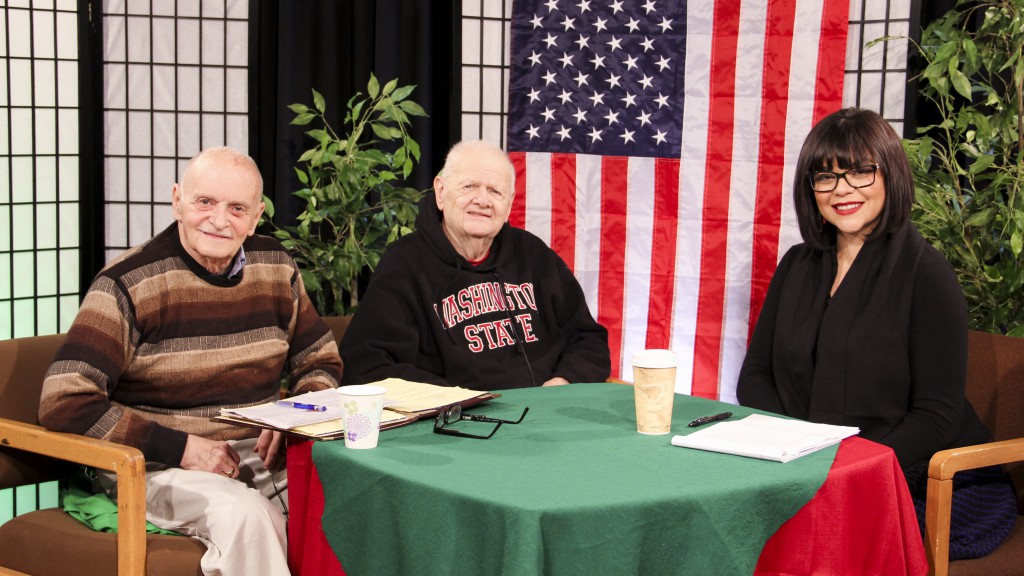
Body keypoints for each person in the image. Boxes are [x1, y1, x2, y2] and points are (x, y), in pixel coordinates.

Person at [39, 147, 343, 575]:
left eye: (237, 208)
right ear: (177, 199)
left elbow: (320, 359)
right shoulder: (128, 283)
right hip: (152, 463)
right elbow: (64, 400)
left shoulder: (276, 265)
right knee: (247, 518)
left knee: (350, 499)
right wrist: (180, 448)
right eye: (205, 202)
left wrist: (298, 413)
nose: (220, 220)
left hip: (257, 452)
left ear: (256, 217)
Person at [736, 108, 1016, 560]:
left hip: (932, 481)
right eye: (825, 177)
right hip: (811, 467)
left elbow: (936, 416)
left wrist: (847, 469)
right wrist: (791, 447)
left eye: (860, 172)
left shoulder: (927, 275)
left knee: (814, 539)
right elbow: (756, 375)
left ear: (890, 175)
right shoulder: (796, 265)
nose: (842, 189)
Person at [340, 140, 610, 390]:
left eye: (495, 191)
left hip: (544, 415)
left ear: (509, 204)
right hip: (456, 425)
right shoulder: (404, 265)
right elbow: (367, 364)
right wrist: (456, 401)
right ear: (441, 192)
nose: (482, 200)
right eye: (469, 187)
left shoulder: (534, 255)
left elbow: (588, 340)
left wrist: (563, 382)